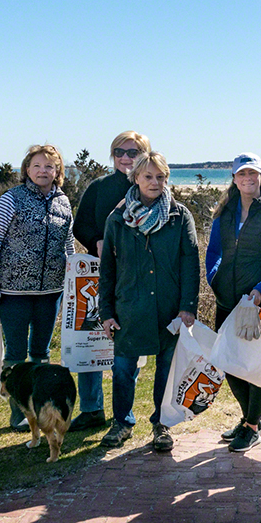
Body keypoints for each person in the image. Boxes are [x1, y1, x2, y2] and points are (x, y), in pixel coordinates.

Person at [97, 151, 200, 452]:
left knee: (166, 370)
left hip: (169, 309)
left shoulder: (180, 217)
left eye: (160, 177)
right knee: (123, 369)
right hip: (128, 307)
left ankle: (162, 423)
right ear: (136, 178)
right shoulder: (118, 219)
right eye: (148, 176)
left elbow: (190, 265)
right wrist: (105, 312)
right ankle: (122, 423)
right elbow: (107, 270)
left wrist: (188, 308)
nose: (154, 182)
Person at [0, 144, 75, 429]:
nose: (42, 171)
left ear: (57, 171)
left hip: (51, 292)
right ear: (26, 169)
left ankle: (39, 406)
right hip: (14, 291)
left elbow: (68, 242)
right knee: (15, 354)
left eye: (49, 166)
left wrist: (73, 275)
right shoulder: (12, 198)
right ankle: (18, 410)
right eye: (37, 165)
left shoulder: (63, 202)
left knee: (41, 353)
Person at [70, 130, 152, 432]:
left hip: (136, 279)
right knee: (90, 342)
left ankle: (124, 412)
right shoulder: (99, 186)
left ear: (145, 153)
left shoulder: (150, 185)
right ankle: (92, 408)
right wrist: (98, 239)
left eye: (133, 152)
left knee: (129, 346)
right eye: (120, 151)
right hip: (97, 277)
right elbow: (80, 225)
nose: (126, 158)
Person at [205, 153, 261, 452]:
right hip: (227, 299)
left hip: (256, 303)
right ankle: (250, 418)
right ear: (234, 179)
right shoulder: (224, 214)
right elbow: (213, 251)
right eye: (242, 174)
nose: (248, 179)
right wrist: (215, 278)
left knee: (257, 366)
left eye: (253, 174)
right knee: (228, 363)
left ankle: (252, 426)